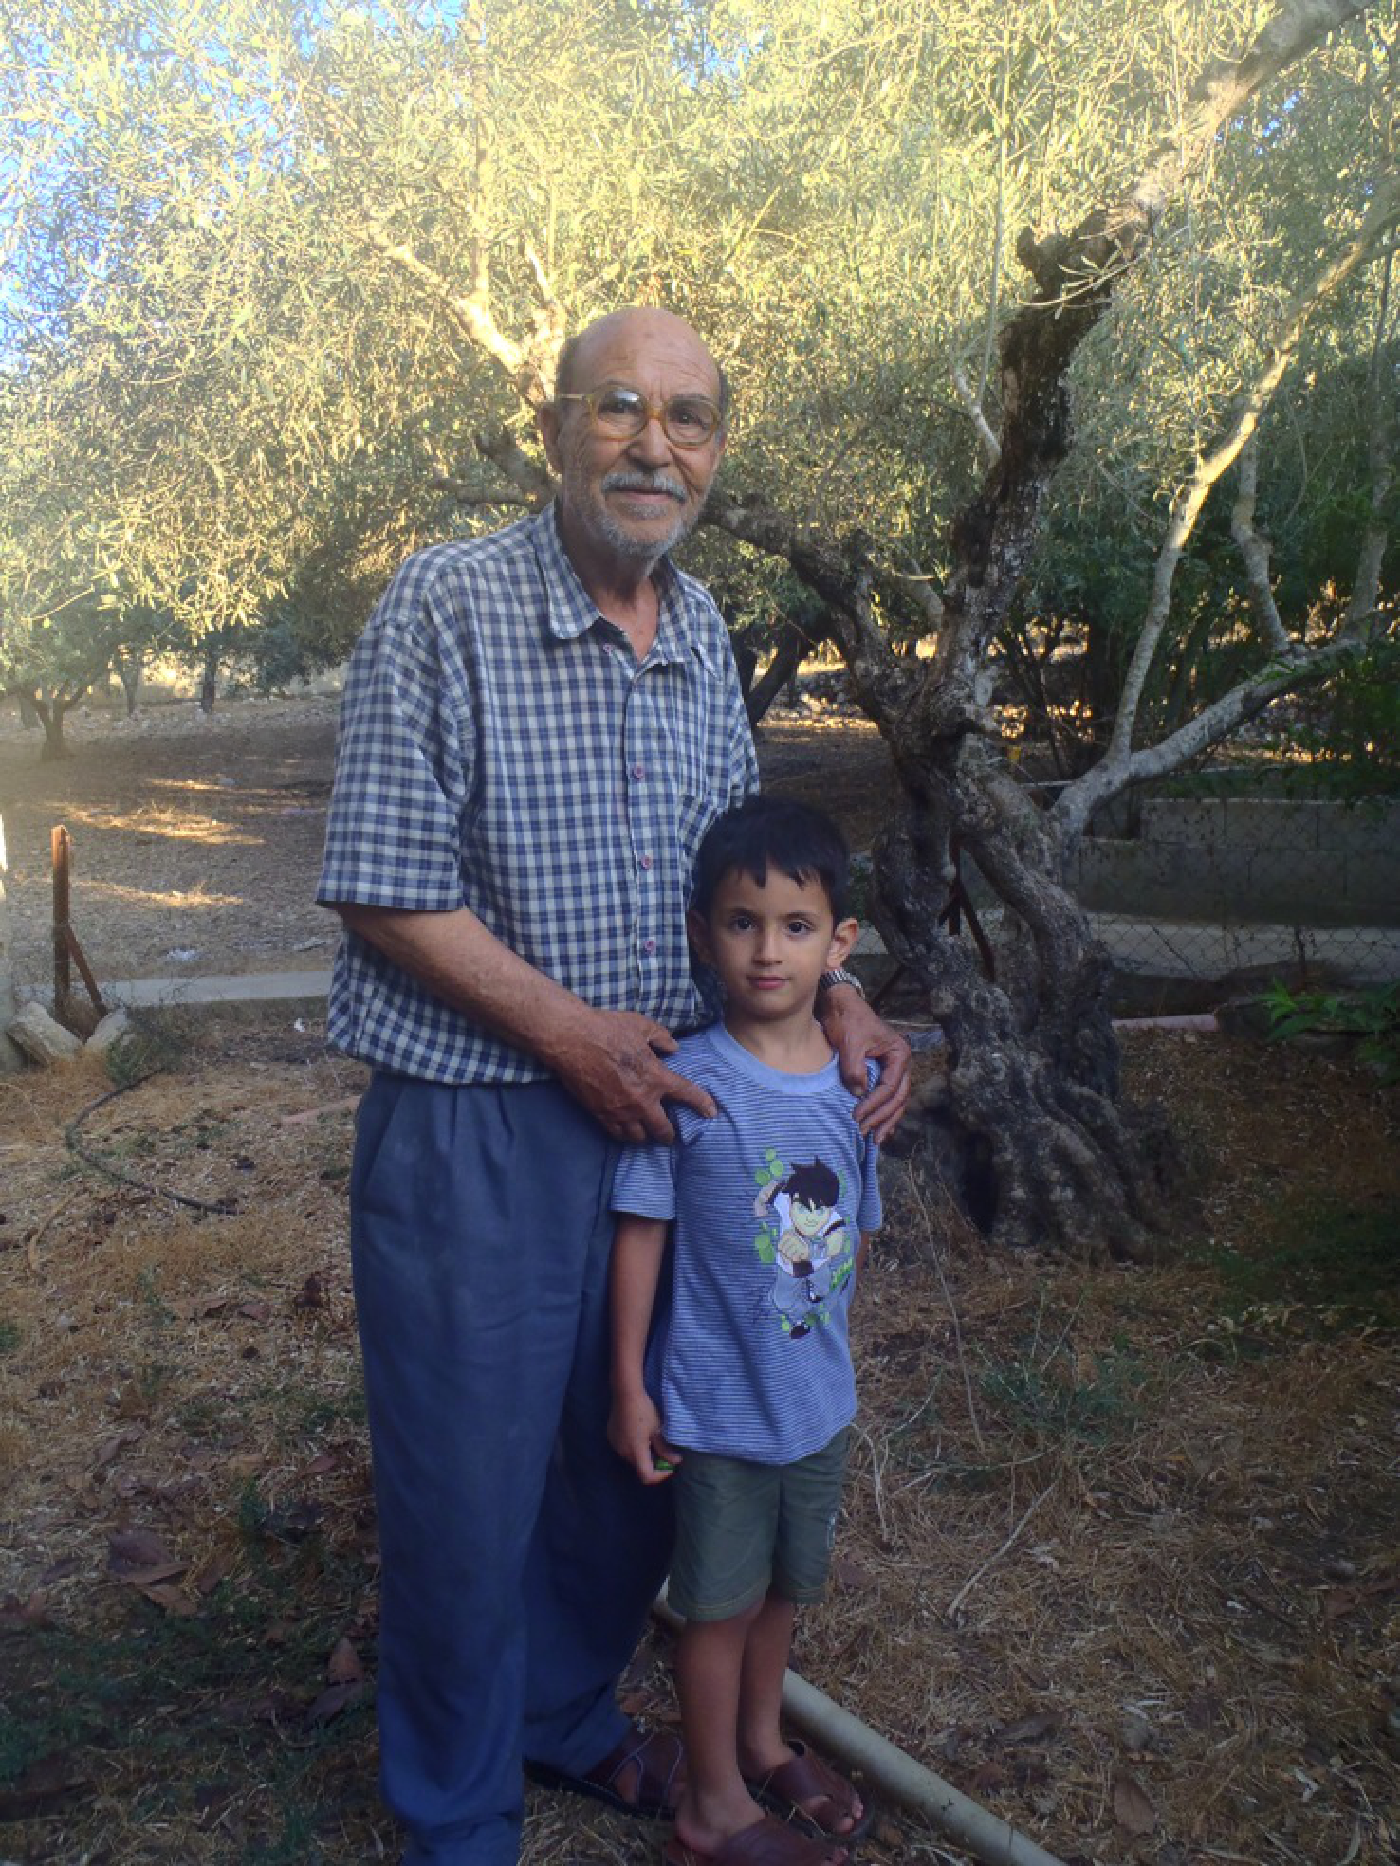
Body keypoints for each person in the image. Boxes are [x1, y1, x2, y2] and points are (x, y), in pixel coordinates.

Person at [317, 305, 910, 1866]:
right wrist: (572, 1033)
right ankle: (458, 1813)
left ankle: (566, 1715)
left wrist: (838, 989)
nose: (658, 445)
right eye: (621, 409)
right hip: (485, 1116)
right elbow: (384, 884)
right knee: (466, 1486)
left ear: (716, 447)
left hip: (677, 1118)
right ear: (557, 425)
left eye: (691, 418)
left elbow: (746, 870)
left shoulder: (701, 627)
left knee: (630, 1449)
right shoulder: (447, 604)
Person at [608, 796, 881, 1866]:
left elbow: (850, 1245)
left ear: (839, 944)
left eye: (796, 926)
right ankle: (710, 1804)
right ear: (700, 932)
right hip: (717, 1413)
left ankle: (765, 1743)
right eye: (739, 922)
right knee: (714, 1612)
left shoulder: (852, 1090)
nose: (768, 950)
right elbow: (639, 1235)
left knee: (780, 1592)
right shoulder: (689, 1084)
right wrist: (628, 1383)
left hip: (814, 1407)